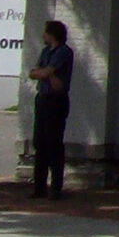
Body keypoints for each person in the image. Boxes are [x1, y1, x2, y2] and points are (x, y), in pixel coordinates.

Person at [27, 19, 73, 199]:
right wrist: (45, 73)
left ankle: (56, 187)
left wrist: (46, 72)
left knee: (54, 142)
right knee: (40, 142)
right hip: (43, 98)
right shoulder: (46, 51)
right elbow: (34, 73)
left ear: (53, 34)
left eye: (45, 32)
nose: (42, 35)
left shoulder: (64, 52)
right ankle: (39, 187)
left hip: (56, 100)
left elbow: (47, 74)